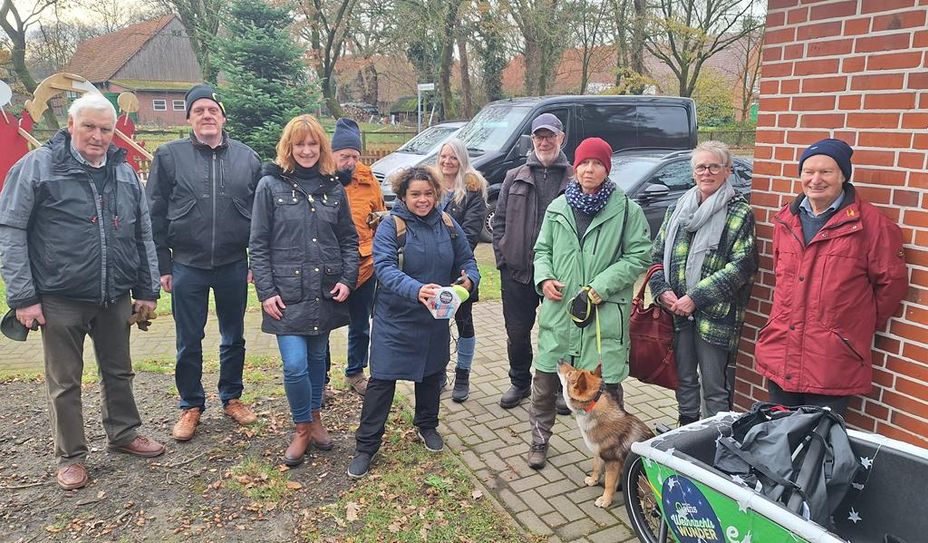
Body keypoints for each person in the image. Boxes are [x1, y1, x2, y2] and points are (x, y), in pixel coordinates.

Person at [0, 94, 165, 490]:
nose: (97, 136)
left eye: (106, 129)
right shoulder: (38, 167)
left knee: (119, 370)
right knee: (65, 381)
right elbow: (11, 230)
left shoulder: (124, 172)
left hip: (114, 295)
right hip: (59, 297)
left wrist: (147, 289)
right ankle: (71, 456)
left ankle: (123, 433)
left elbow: (143, 233)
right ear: (71, 125)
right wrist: (23, 297)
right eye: (89, 126)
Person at [755, 138, 907, 417]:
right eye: (808, 171)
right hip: (782, 351)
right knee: (778, 434)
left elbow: (891, 285)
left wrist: (853, 326)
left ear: (843, 176)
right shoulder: (786, 219)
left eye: (826, 172)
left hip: (831, 360)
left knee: (819, 438)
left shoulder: (872, 225)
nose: (816, 180)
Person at [146, 84, 262, 442]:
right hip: (186, 265)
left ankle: (232, 397)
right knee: (188, 339)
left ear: (223, 117)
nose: (207, 115)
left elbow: (261, 217)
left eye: (213, 110)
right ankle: (191, 404)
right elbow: (154, 213)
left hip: (233, 263)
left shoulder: (247, 158)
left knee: (233, 335)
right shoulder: (169, 156)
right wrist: (163, 265)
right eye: (199, 111)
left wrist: (255, 260)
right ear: (189, 119)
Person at [348, 166, 479, 478]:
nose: (423, 200)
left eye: (428, 194)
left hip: (433, 317)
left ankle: (427, 425)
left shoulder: (447, 224)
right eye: (415, 194)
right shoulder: (391, 225)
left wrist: (469, 280)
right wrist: (417, 290)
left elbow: (468, 260)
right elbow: (384, 268)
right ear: (403, 196)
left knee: (431, 375)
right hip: (395, 319)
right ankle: (366, 446)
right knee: (382, 382)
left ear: (436, 194)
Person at [528, 137, 650, 469]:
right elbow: (542, 251)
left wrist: (598, 288)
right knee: (544, 384)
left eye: (597, 163)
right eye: (583, 163)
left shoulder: (627, 211)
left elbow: (639, 256)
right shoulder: (558, 209)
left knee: (606, 391)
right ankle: (539, 440)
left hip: (602, 317)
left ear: (607, 169)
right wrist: (544, 278)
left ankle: (616, 453)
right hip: (561, 313)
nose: (589, 169)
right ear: (575, 167)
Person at [249, 114, 359, 466]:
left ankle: (314, 419)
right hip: (286, 294)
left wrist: (347, 279)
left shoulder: (333, 188)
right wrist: (266, 292)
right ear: (289, 147)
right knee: (295, 365)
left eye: (313, 144)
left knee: (315, 362)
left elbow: (348, 240)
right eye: (300, 144)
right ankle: (301, 427)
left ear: (322, 147)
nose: (307, 150)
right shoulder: (270, 186)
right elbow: (258, 244)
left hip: (322, 292)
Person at [648, 141, 758, 426]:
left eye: (714, 167)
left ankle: (715, 438)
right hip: (677, 312)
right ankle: (686, 431)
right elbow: (656, 256)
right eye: (700, 167)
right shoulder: (677, 208)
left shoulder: (739, 212)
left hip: (715, 316)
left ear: (727, 171)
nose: (706, 172)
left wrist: (695, 298)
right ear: (693, 172)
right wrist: (662, 292)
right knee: (684, 379)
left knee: (714, 386)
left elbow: (742, 266)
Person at [492, 113, 573, 411]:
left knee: (560, 334)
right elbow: (499, 222)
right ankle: (520, 382)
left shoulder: (574, 178)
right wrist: (503, 258)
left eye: (550, 136)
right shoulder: (515, 176)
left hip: (558, 275)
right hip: (517, 273)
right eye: (539, 136)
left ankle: (559, 388)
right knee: (517, 332)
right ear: (533, 140)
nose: (544, 142)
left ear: (561, 138)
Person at [323, 118, 385, 397]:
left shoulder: (369, 180)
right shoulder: (320, 178)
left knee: (360, 324)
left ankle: (356, 372)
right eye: (344, 156)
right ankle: (320, 379)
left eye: (355, 156)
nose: (350, 162)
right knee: (322, 326)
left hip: (364, 265)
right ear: (332, 154)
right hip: (328, 267)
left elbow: (380, 216)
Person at [437, 138, 488, 402]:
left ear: (462, 160)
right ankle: (438, 372)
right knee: (436, 324)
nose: (447, 161)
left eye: (453, 157)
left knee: (464, 322)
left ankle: (463, 374)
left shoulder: (472, 190)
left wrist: (449, 257)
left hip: (460, 266)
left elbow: (469, 234)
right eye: (444, 156)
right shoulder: (430, 184)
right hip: (431, 267)